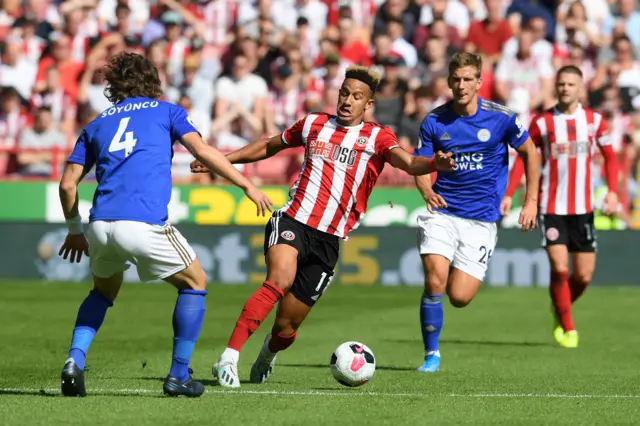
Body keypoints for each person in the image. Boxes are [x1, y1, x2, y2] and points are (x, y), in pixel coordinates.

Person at [191, 65, 456, 388]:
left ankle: (267, 354)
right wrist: (222, 159)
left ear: (367, 104)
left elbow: (410, 162)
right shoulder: (314, 124)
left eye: (356, 97)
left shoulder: (378, 137)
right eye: (344, 93)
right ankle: (228, 357)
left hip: (329, 239)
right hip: (293, 220)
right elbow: (269, 145)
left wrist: (434, 164)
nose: (347, 101)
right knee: (278, 279)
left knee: (287, 326)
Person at [57, 52, 273, 397]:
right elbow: (202, 151)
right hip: (141, 223)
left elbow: (68, 184)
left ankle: (74, 360)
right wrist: (247, 184)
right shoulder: (167, 111)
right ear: (152, 81)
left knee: (102, 291)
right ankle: (177, 376)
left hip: (100, 225)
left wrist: (74, 230)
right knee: (195, 282)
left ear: (114, 87)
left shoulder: (96, 123)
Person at [413, 52, 540, 373]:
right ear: (449, 82)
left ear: (479, 82)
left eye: (468, 79)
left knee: (459, 296)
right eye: (456, 79)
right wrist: (427, 189)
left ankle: (455, 271)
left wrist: (531, 200)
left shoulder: (502, 118)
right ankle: (431, 355)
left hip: (481, 219)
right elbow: (419, 164)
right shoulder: (434, 121)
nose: (461, 85)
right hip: (442, 211)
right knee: (435, 280)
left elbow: (530, 151)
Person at [501, 65, 618, 349]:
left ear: (581, 88)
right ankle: (568, 326)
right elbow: (523, 157)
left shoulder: (594, 121)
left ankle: (559, 307)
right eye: (561, 84)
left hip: (583, 208)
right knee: (559, 266)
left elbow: (610, 157)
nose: (565, 88)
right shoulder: (542, 123)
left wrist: (613, 192)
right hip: (551, 207)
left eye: (571, 84)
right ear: (555, 87)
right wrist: (508, 194)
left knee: (584, 275)